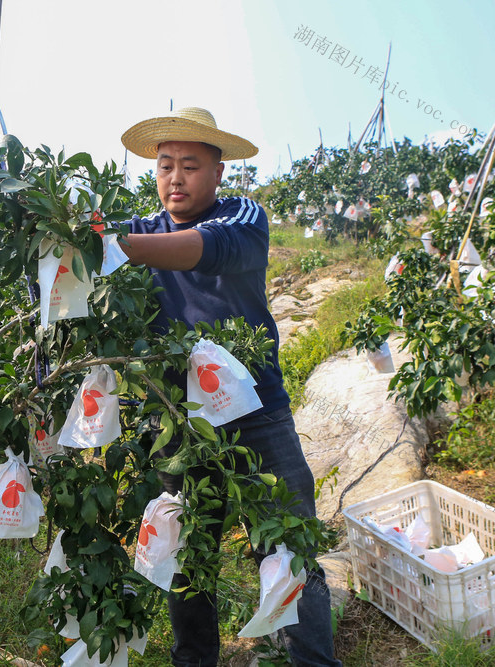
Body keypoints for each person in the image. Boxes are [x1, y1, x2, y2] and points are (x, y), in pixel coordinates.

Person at [118, 108, 341, 667]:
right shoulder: (142, 229)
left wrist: (108, 244)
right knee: (187, 553)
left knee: (289, 546)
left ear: (218, 173)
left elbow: (202, 250)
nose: (175, 177)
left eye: (190, 166)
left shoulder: (243, 215)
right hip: (181, 422)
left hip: (257, 417)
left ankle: (313, 660)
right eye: (165, 165)